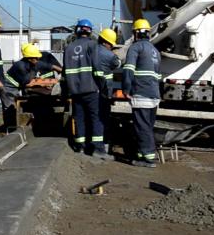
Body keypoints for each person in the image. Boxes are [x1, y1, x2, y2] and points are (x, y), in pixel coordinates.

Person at [122, 18, 161, 168]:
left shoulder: (136, 48)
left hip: (141, 93)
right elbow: (158, 76)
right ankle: (142, 153)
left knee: (142, 126)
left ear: (136, 33)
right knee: (148, 126)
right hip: (153, 95)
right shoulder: (155, 51)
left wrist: (126, 89)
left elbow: (129, 70)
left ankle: (148, 158)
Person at [63, 19, 105, 157]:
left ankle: (80, 147)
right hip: (91, 89)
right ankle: (97, 149)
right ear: (90, 31)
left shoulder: (68, 48)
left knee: (79, 117)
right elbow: (98, 69)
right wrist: (102, 85)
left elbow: (65, 72)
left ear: (77, 30)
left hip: (75, 91)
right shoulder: (93, 45)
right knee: (95, 118)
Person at [1, 43, 41, 130]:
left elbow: (47, 66)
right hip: (8, 87)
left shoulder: (29, 64)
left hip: (15, 87)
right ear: (29, 58)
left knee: (16, 107)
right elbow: (26, 83)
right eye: (36, 57)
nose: (38, 59)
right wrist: (40, 83)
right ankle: (10, 130)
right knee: (10, 108)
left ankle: (15, 127)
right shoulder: (20, 66)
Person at [94, 28, 121, 157]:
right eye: (111, 44)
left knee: (94, 117)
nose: (111, 47)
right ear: (106, 42)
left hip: (92, 90)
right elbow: (118, 64)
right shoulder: (109, 55)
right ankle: (101, 147)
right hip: (105, 91)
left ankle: (94, 145)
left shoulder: (92, 51)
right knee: (103, 118)